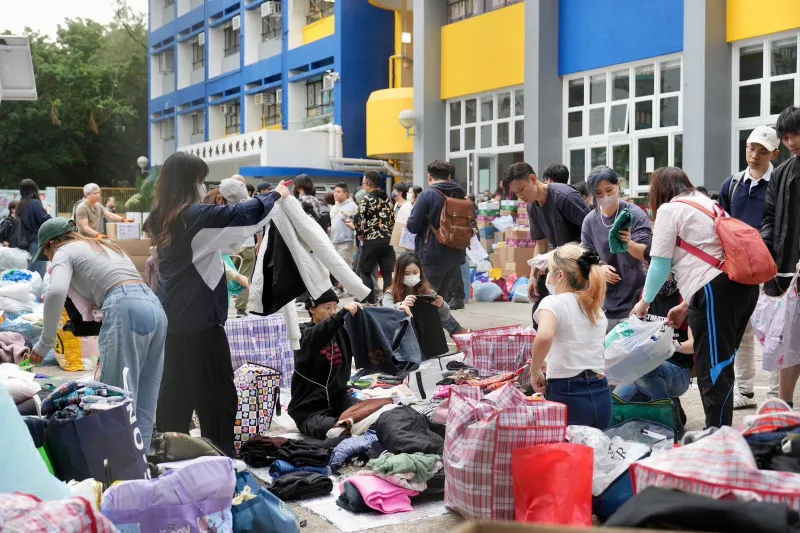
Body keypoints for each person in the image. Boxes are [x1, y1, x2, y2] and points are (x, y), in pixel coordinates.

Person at [148, 152, 289, 456]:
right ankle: (219, 456)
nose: (203, 187)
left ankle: (172, 453)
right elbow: (244, 214)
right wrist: (276, 194)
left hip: (171, 319)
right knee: (216, 396)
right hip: (201, 323)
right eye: (200, 180)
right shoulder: (194, 216)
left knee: (175, 393)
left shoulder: (159, 216)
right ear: (189, 183)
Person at [632, 167, 760, 428]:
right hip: (742, 286)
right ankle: (718, 430)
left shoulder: (670, 210)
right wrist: (685, 305)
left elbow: (659, 265)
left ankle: (716, 434)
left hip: (715, 291)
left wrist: (644, 302)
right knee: (721, 362)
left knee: (711, 366)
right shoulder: (706, 203)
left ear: (658, 192)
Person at [28, 218, 166, 452]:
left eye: (46, 254)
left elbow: (56, 292)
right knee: (145, 398)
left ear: (51, 244)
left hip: (124, 305)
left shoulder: (64, 251)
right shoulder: (104, 246)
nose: (49, 259)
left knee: (114, 400)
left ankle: (115, 469)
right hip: (155, 308)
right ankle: (141, 466)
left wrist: (44, 343)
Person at [719, 125, 781, 408]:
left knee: (773, 330)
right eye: (750, 148)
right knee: (741, 330)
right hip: (737, 269)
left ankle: (776, 392)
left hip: (772, 268)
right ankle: (744, 391)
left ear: (775, 154)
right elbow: (721, 223)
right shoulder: (732, 184)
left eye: (763, 151)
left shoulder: (780, 184)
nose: (754, 155)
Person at [529, 243, 611, 429]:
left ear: (560, 275)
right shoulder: (595, 309)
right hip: (601, 393)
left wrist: (535, 371)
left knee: (569, 455)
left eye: (549, 271)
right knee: (596, 455)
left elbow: (544, 336)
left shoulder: (552, 303)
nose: (547, 277)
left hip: (568, 393)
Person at [502, 162, 591, 319]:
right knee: (540, 311)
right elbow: (541, 243)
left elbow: (593, 230)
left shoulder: (564, 197)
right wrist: (532, 277)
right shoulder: (532, 206)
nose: (521, 196)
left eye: (521, 189)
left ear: (533, 178)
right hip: (560, 263)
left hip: (583, 263)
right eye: (516, 193)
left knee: (576, 315)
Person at [615, 245, 694, 415]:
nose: (650, 272)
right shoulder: (642, 296)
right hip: (646, 368)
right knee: (617, 405)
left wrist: (673, 345)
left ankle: (665, 416)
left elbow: (694, 345)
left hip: (677, 368)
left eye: (654, 267)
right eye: (647, 266)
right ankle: (670, 405)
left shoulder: (686, 297)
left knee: (644, 368)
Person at [581, 166, 652, 332]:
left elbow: (646, 253)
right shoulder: (590, 221)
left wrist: (629, 243)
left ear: (618, 185)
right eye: (598, 194)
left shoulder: (634, 214)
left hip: (636, 297)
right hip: (605, 302)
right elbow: (586, 257)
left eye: (609, 190)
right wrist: (599, 268)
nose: (605, 196)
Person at [762, 106, 800, 406]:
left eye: (796, 134)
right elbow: (770, 217)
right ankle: (785, 410)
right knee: (790, 341)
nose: (791, 142)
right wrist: (765, 254)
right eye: (785, 137)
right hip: (789, 271)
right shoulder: (784, 172)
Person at [288, 289, 363, 439]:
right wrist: (340, 315)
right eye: (327, 308)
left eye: (335, 307)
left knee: (371, 414)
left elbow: (367, 327)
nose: (332, 312)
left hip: (339, 399)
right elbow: (319, 333)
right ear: (312, 310)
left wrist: (397, 312)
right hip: (309, 409)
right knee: (336, 430)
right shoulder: (301, 333)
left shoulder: (341, 330)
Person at [406, 160, 468, 304]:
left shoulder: (427, 195)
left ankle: (427, 326)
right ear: (450, 177)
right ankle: (436, 325)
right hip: (456, 254)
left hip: (432, 254)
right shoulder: (461, 195)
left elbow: (412, 226)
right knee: (441, 299)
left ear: (429, 177)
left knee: (425, 297)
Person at [382, 252, 467, 336]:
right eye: (407, 274)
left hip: (424, 335)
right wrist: (400, 305)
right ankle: (457, 331)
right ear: (399, 274)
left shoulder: (427, 291)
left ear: (420, 272)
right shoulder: (391, 293)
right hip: (400, 335)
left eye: (415, 273)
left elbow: (444, 317)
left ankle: (457, 331)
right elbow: (386, 312)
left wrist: (441, 305)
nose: (411, 276)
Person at [352, 171, 395, 304]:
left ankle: (369, 299)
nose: (363, 186)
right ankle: (389, 300)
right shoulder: (387, 199)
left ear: (369, 184)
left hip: (372, 240)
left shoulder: (367, 198)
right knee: (388, 273)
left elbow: (358, 217)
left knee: (365, 271)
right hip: (387, 240)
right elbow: (392, 219)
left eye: (364, 184)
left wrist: (360, 233)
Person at [18, 179, 51, 277]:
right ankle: (36, 292)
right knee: (38, 273)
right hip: (37, 242)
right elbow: (46, 221)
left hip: (27, 242)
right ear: (34, 189)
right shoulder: (35, 203)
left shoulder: (22, 205)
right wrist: (48, 211)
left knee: (31, 272)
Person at [330, 183, 358, 278]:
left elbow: (357, 223)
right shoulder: (334, 207)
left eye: (339, 192)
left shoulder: (352, 206)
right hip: (334, 241)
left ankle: (349, 290)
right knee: (337, 267)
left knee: (346, 267)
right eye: (335, 192)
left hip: (346, 241)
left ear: (346, 193)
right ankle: (341, 288)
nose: (335, 194)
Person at [391, 182, 413, 255]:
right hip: (396, 236)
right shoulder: (397, 204)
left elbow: (406, 223)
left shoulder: (407, 206)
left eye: (394, 191)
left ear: (400, 193)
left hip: (403, 239)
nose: (392, 193)